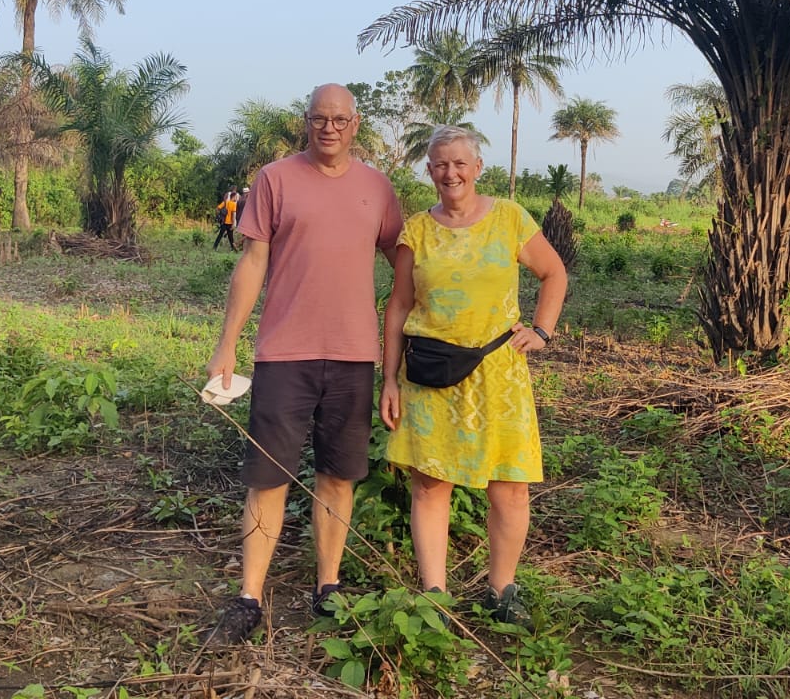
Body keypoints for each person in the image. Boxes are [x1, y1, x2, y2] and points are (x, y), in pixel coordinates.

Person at [204, 84, 404, 645]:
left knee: (338, 477)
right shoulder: (275, 179)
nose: (330, 128)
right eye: (319, 118)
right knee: (268, 479)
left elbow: (404, 259)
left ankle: (329, 585)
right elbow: (252, 262)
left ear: (356, 124)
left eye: (340, 119)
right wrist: (228, 343)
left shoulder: (376, 188)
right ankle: (249, 596)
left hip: (352, 357)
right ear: (307, 122)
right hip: (283, 355)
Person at [379, 126, 566, 629]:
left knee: (510, 486)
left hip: (498, 373)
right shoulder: (416, 230)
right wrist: (389, 378)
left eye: (460, 163)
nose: (450, 172)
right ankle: (434, 595)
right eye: (440, 163)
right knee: (429, 484)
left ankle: (502, 590)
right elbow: (398, 305)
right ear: (429, 171)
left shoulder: (508, 218)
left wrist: (542, 330)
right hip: (430, 372)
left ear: (478, 168)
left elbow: (554, 273)